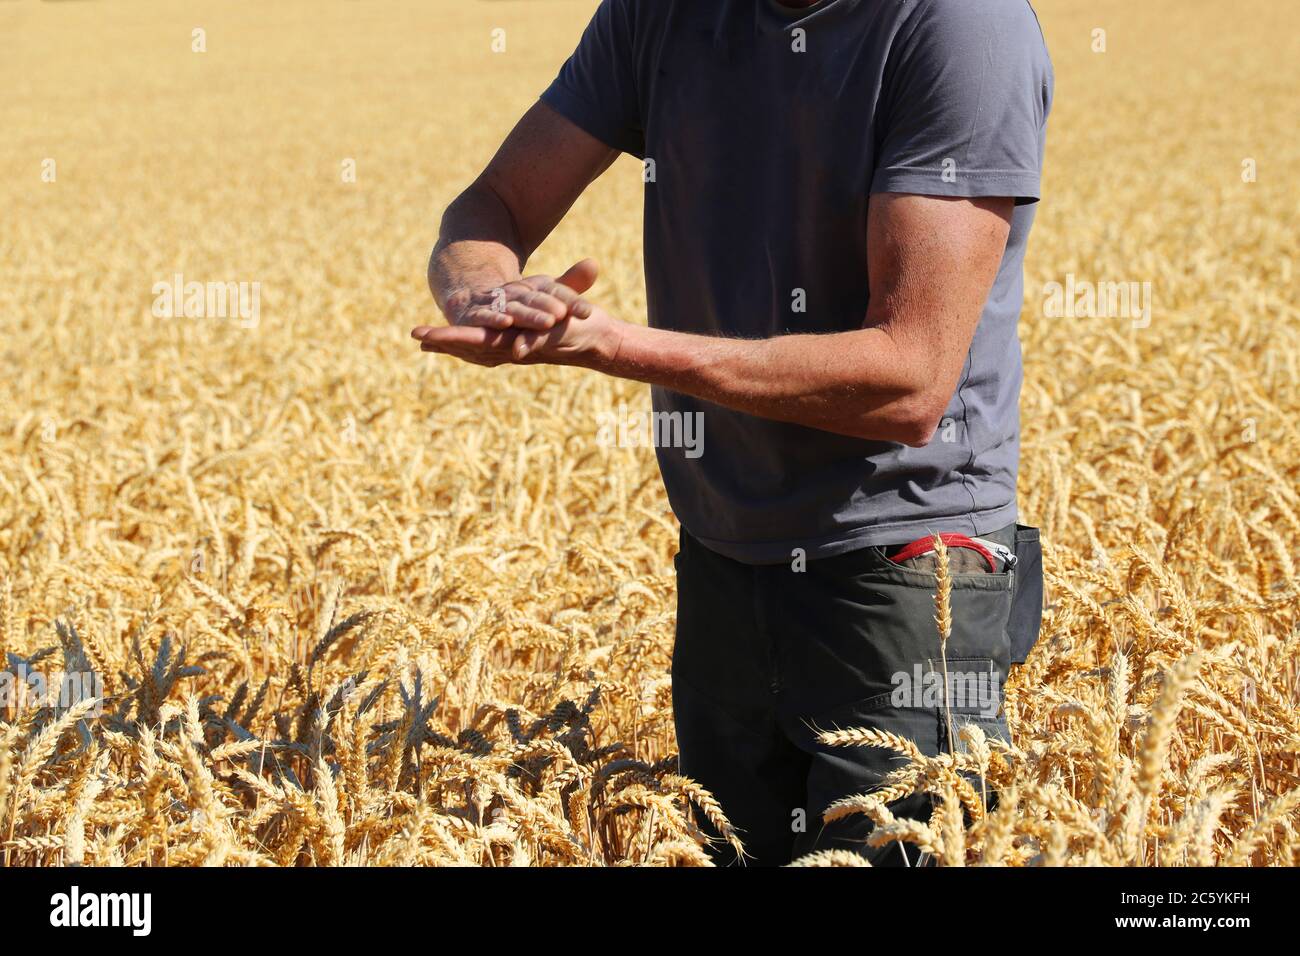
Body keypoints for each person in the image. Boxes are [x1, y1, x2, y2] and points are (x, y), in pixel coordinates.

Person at [414, 0, 1052, 865]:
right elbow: (494, 203)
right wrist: (482, 288)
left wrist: (619, 346)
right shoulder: (660, 14)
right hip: (722, 555)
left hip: (906, 571)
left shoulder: (958, 26)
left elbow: (909, 380)